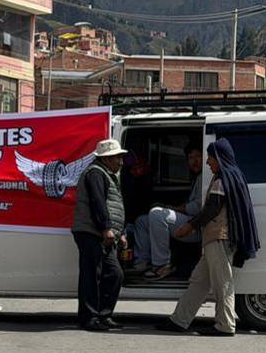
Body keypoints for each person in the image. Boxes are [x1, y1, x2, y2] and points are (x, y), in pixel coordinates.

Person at [162, 138, 260, 336]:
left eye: (210, 158)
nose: (208, 163)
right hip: (213, 240)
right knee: (199, 281)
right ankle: (179, 321)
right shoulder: (230, 176)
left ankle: (225, 325)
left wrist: (188, 226)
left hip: (219, 239)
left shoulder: (223, 179)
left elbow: (211, 209)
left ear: (220, 158)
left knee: (222, 283)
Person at [71, 138, 128, 332]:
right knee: (91, 275)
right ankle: (88, 318)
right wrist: (106, 228)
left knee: (114, 273)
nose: (121, 162)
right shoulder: (95, 173)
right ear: (106, 158)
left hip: (103, 233)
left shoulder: (107, 174)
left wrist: (119, 232)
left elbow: (112, 206)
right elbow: (98, 203)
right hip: (91, 232)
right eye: (117, 158)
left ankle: (103, 315)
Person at [131, 145, 205, 279]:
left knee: (157, 214)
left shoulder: (205, 177)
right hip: (190, 221)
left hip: (197, 226)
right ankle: (142, 263)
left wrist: (172, 208)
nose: (194, 161)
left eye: (198, 157)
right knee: (142, 221)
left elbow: (196, 208)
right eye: (190, 158)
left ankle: (162, 265)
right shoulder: (197, 177)